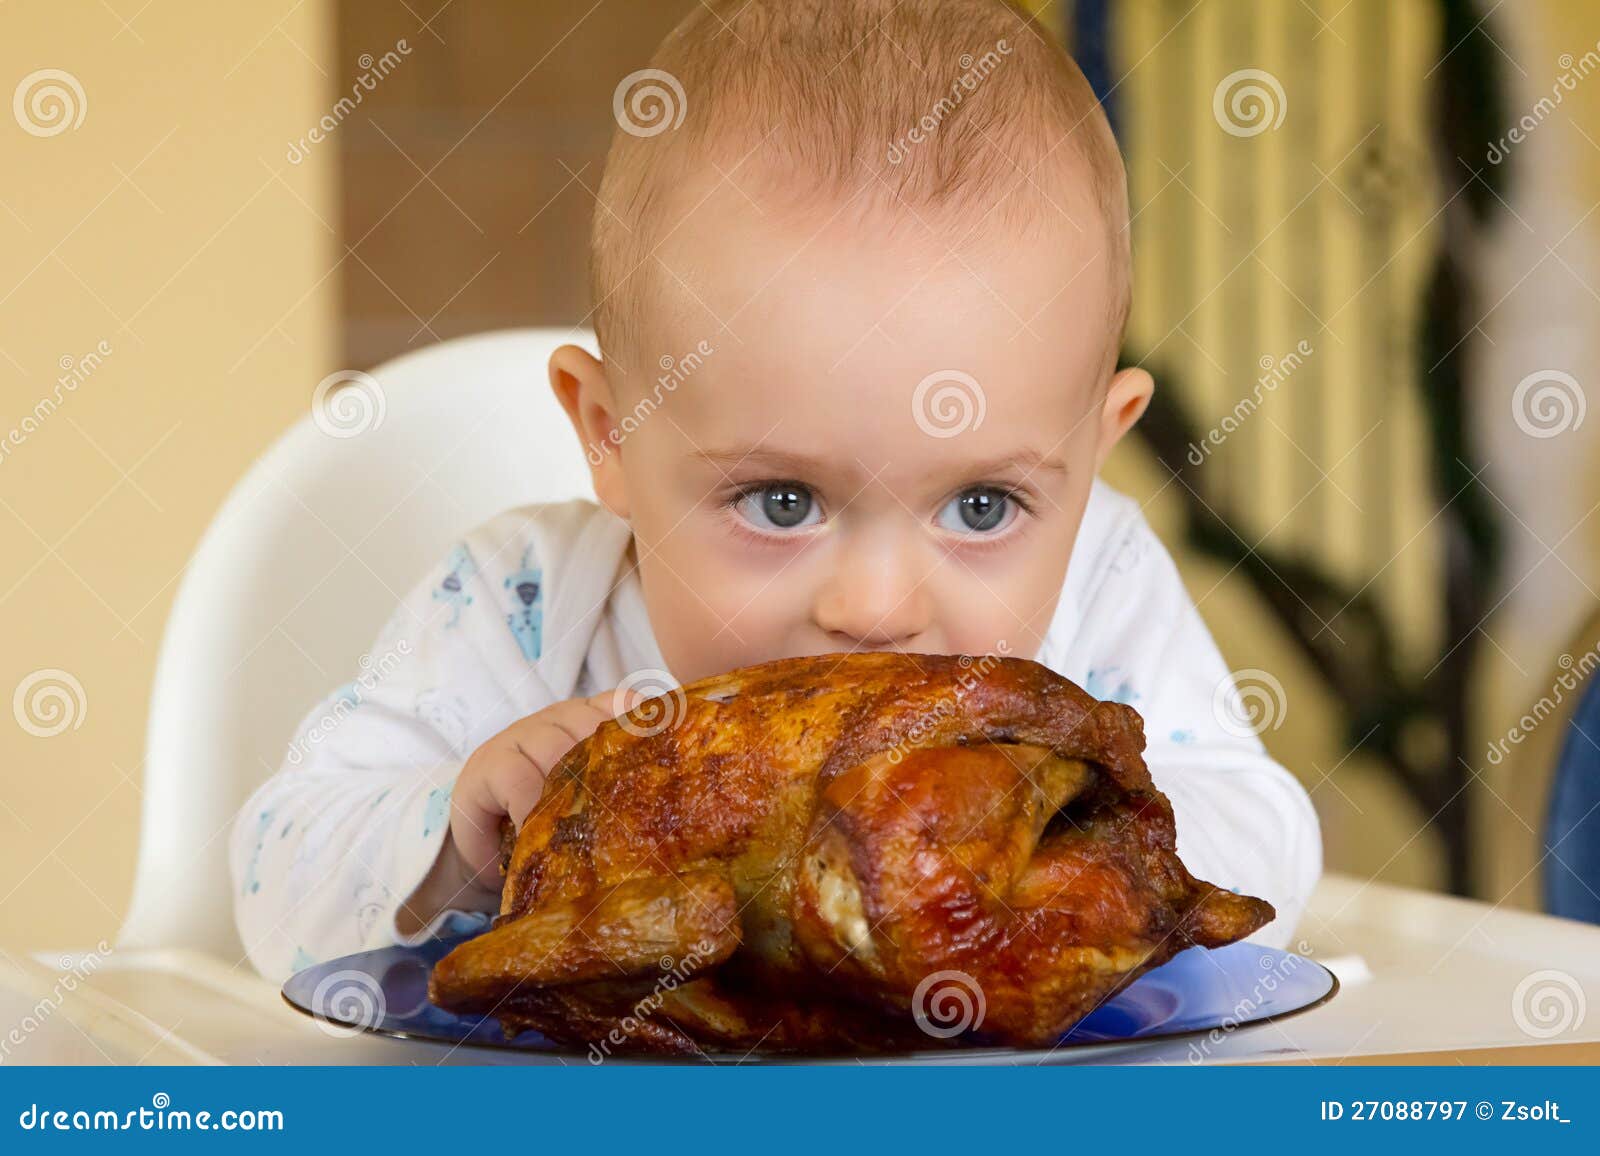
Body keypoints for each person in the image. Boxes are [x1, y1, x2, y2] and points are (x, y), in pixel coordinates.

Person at [231, 0, 1321, 983]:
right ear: (610, 433)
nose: (878, 607)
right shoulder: (518, 601)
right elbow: (275, 878)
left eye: (980, 507)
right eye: (782, 503)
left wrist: (1054, 853)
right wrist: (460, 831)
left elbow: (1267, 841)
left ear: (1092, 456)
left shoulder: (1105, 577)